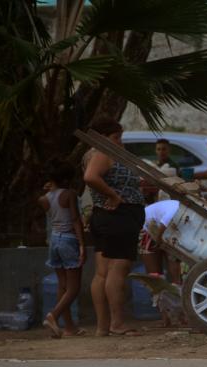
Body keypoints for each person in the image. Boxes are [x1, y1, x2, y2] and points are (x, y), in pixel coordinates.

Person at [83, 117, 145, 337]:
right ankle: (117, 322)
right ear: (103, 139)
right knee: (117, 270)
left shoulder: (94, 154)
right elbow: (90, 177)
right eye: (115, 138)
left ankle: (103, 326)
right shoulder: (102, 153)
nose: (120, 142)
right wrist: (114, 195)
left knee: (102, 273)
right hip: (118, 217)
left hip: (105, 217)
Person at [39, 160, 86, 338]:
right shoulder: (70, 194)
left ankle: (69, 327)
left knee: (63, 285)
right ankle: (53, 315)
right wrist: (82, 245)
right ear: (67, 179)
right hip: (68, 240)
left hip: (54, 241)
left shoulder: (44, 198)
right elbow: (75, 220)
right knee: (73, 288)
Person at [139, 199, 181, 284]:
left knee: (173, 257)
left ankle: (177, 285)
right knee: (154, 272)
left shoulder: (181, 208)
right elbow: (162, 227)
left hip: (165, 228)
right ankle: (158, 288)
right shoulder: (176, 210)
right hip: (148, 226)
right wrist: (158, 242)